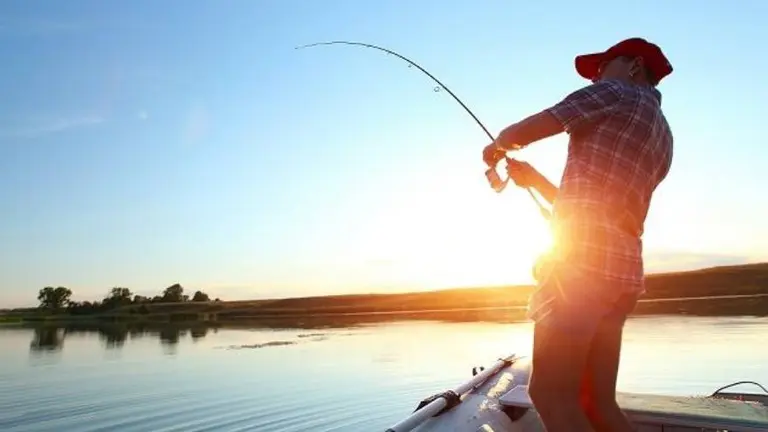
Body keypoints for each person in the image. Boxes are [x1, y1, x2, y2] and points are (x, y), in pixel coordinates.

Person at [482, 37, 674, 431]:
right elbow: (598, 207)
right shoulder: (663, 135)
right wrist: (534, 180)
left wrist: (497, 146)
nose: (596, 78)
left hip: (581, 270)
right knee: (598, 402)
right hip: (621, 275)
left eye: (602, 67)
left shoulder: (613, 93)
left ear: (634, 66)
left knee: (551, 395)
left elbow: (526, 130)